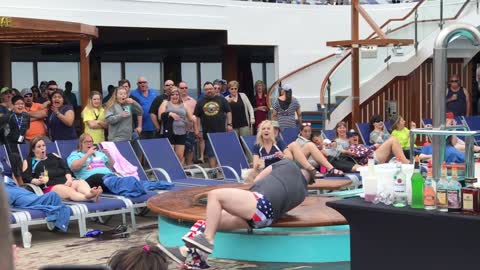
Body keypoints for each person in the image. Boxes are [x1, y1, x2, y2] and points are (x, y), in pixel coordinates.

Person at [158, 159, 314, 265]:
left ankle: (207, 240)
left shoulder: (287, 164)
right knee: (212, 220)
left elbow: (258, 180)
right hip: (264, 219)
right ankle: (187, 254)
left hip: (259, 202)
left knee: (215, 196)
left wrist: (249, 193)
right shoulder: (302, 194)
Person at [22, 136, 102, 202]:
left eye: (44, 145)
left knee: (80, 182)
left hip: (66, 181)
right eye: (39, 147)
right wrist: (38, 181)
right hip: (51, 187)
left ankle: (90, 193)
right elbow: (26, 178)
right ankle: (89, 197)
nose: (43, 148)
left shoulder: (54, 155)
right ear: (33, 149)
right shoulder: (29, 161)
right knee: (69, 191)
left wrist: (69, 179)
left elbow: (66, 169)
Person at [252, 120, 342, 176]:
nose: (267, 130)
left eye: (269, 128)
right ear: (261, 132)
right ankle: (312, 170)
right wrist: (259, 164)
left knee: (308, 145)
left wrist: (282, 156)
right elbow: (255, 166)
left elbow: (289, 158)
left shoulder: (278, 142)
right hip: (273, 172)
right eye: (264, 129)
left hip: (286, 166)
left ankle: (330, 169)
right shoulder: (257, 146)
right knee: (295, 144)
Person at [194, 81, 232, 168]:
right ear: (204, 91)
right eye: (206, 89)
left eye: (210, 89)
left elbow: (229, 112)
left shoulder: (222, 99)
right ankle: (213, 171)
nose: (209, 91)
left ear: (214, 89)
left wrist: (229, 124)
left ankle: (222, 171)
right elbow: (196, 117)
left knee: (221, 153)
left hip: (221, 132)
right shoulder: (200, 102)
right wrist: (197, 129)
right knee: (211, 154)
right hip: (208, 133)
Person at [158, 87, 195, 164]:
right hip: (169, 131)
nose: (175, 96)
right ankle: (169, 171)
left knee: (179, 155)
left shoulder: (184, 105)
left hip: (181, 132)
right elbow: (160, 116)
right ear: (169, 96)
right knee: (170, 154)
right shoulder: (165, 103)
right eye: (172, 94)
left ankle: (177, 171)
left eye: (176, 94)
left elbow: (190, 118)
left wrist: (193, 119)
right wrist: (170, 114)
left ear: (179, 95)